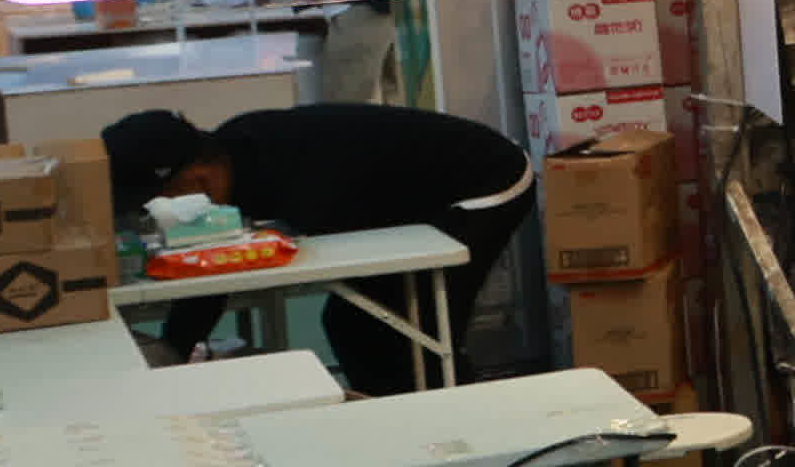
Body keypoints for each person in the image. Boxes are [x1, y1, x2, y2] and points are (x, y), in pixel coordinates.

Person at [99, 100, 534, 392]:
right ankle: (392, 421)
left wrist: (173, 353)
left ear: (197, 177)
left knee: (414, 328)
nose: (164, 209)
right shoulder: (235, 150)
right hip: (407, 197)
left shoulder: (301, 186)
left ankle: (461, 446)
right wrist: (174, 350)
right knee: (354, 325)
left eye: (163, 197)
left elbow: (365, 245)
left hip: (486, 184)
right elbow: (219, 270)